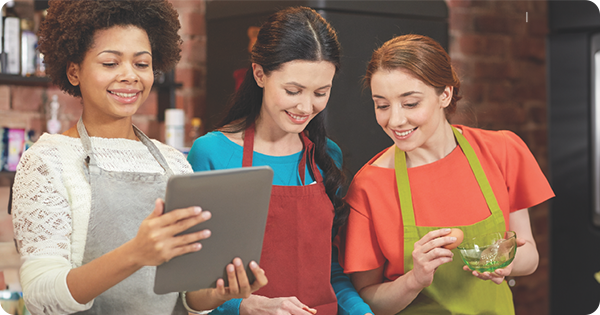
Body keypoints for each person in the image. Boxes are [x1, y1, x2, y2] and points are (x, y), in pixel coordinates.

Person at [11, 1, 266, 314]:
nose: (130, 76)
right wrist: (136, 253)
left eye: (141, 64)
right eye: (110, 64)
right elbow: (40, 296)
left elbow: (186, 297)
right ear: (74, 71)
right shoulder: (49, 160)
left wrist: (218, 292)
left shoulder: (174, 163)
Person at [335, 34, 555, 314]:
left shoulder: (501, 151)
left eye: (410, 103)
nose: (395, 120)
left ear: (445, 94)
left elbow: (530, 255)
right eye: (382, 105)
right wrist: (413, 280)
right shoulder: (369, 187)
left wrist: (504, 261)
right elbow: (368, 300)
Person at [187, 6, 373, 315]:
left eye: (320, 92)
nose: (305, 106)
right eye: (293, 90)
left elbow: (332, 272)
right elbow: (192, 284)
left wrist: (361, 311)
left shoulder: (327, 156)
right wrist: (243, 306)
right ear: (260, 74)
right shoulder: (211, 153)